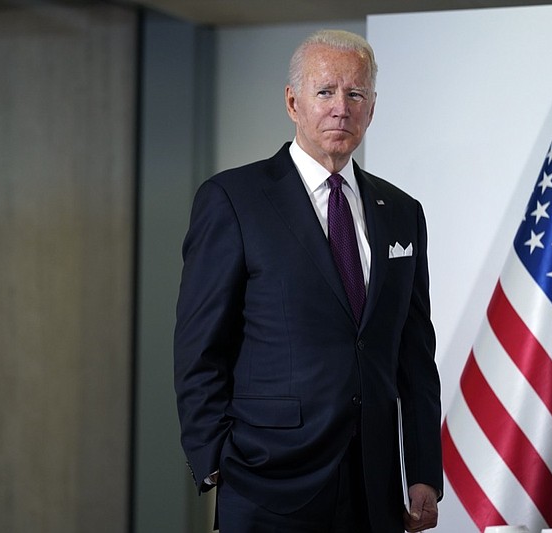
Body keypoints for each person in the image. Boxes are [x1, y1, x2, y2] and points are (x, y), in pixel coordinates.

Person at [174, 29, 442, 533]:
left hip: (374, 487)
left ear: (372, 107)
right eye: (325, 92)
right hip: (266, 482)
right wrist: (215, 460)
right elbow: (198, 348)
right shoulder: (233, 199)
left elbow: (415, 356)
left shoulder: (403, 213)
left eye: (355, 94)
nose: (341, 107)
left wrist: (424, 470)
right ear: (293, 102)